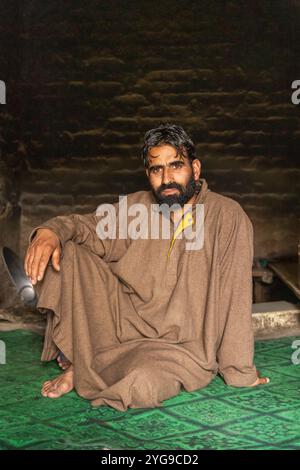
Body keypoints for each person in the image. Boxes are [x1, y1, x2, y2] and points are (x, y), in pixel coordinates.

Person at [24, 123, 269, 412]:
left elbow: (235, 297)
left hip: (182, 349)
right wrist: (50, 231)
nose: (167, 178)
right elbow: (85, 225)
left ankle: (86, 367)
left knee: (142, 384)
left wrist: (240, 373)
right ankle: (82, 363)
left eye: (176, 166)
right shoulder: (136, 207)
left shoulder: (227, 216)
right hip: (123, 326)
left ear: (196, 169)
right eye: (157, 169)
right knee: (67, 252)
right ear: (148, 174)